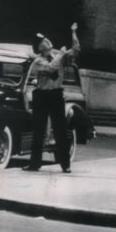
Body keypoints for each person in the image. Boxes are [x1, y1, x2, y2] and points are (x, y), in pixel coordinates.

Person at [24, 23, 80, 173]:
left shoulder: (58, 56)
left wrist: (73, 32)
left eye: (46, 39)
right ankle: (34, 164)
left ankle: (65, 164)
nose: (47, 41)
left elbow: (75, 51)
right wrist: (61, 55)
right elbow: (51, 68)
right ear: (40, 47)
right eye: (43, 41)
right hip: (42, 95)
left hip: (55, 94)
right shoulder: (38, 61)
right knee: (39, 130)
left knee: (60, 129)